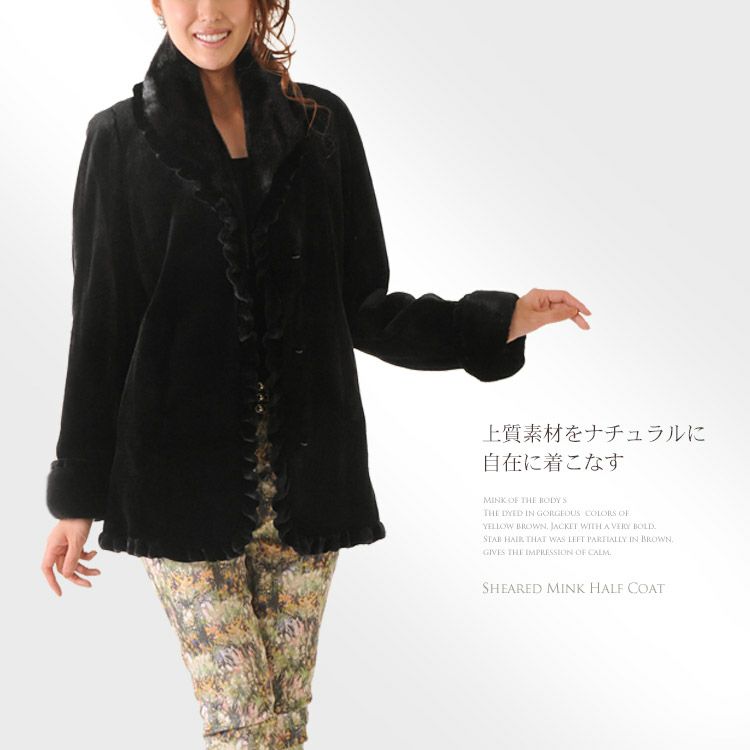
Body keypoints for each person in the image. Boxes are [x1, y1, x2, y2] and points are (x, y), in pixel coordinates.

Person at [41, 1, 591, 747]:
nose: (209, 13)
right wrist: (76, 497)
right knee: (244, 722)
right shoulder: (118, 138)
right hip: (177, 481)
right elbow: (101, 326)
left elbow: (364, 306)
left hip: (310, 475)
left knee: (285, 721)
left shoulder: (320, 125)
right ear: (158, 3)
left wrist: (498, 321)